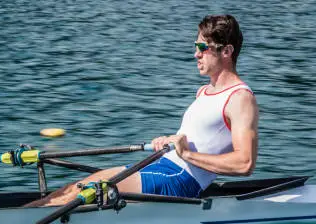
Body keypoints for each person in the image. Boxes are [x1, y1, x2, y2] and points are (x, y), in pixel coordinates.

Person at [28, 15, 258, 207]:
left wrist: (187, 154)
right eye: (195, 46)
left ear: (227, 51)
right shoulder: (204, 92)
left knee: (81, 195)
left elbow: (244, 163)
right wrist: (170, 141)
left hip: (181, 180)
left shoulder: (240, 98)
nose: (195, 54)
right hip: (160, 166)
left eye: (202, 48)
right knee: (70, 190)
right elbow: (199, 138)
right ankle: (19, 215)